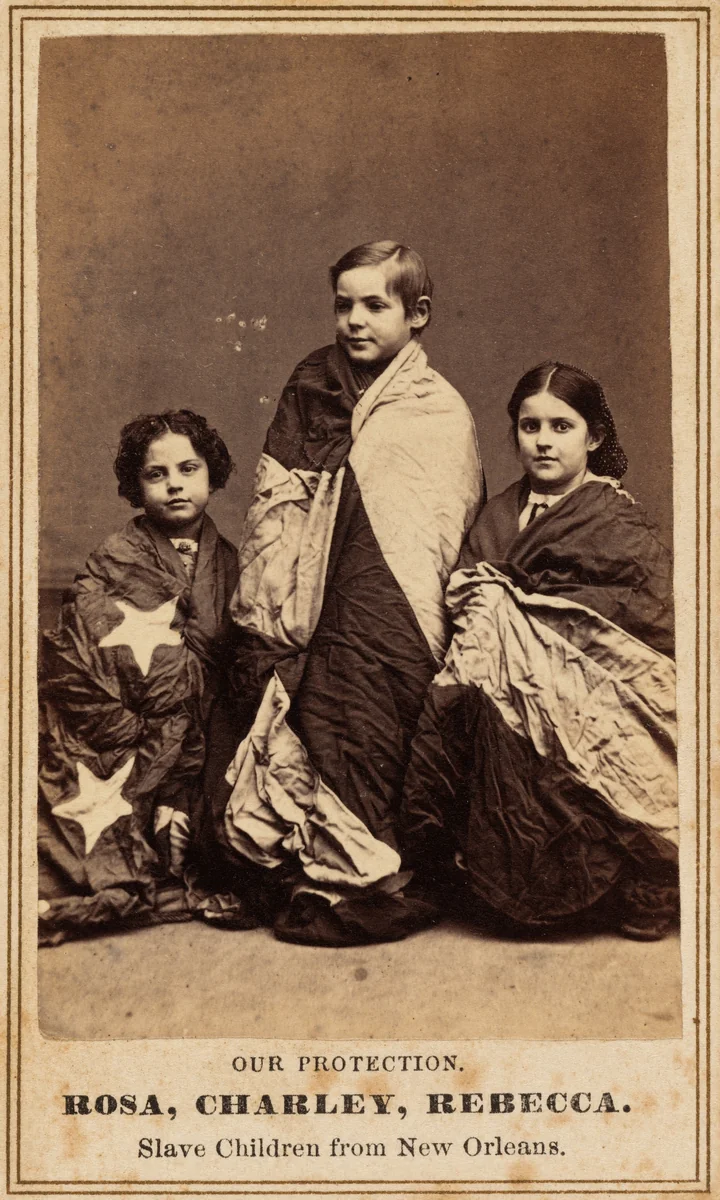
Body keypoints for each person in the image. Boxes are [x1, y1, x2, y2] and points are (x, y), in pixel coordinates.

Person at [195, 240, 482, 945]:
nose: (355, 320)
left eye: (375, 305)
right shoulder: (310, 384)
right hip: (297, 593)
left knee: (363, 697)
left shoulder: (436, 410)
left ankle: (367, 870)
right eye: (343, 304)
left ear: (417, 315)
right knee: (286, 691)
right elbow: (275, 503)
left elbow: (433, 522)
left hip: (388, 605)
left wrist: (367, 594)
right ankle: (297, 868)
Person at [401, 361, 678, 941]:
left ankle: (641, 882)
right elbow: (468, 590)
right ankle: (496, 874)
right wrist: (500, 614)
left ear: (594, 437)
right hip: (501, 679)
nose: (544, 441)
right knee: (458, 701)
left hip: (591, 686)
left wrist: (536, 622)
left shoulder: (616, 518)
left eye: (561, 426)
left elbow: (643, 616)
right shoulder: (498, 513)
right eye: (530, 427)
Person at [38, 410, 239, 945]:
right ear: (135, 485)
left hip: (201, 727)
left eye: (188, 468)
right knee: (92, 812)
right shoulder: (115, 559)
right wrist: (137, 729)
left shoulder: (234, 564)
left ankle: (179, 826)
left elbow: (231, 659)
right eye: (156, 474)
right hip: (120, 722)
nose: (175, 483)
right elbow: (77, 655)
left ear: (211, 475)